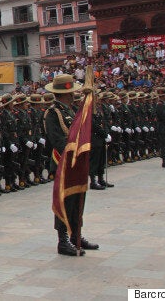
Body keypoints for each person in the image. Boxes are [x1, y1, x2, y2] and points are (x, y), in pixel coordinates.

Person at [43, 74, 98, 256]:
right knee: (64, 201)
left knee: (76, 202)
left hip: (75, 161)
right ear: (64, 94)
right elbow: (56, 139)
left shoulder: (71, 110)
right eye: (71, 92)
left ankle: (76, 235)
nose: (73, 95)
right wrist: (72, 153)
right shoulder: (53, 113)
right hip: (63, 161)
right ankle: (63, 240)